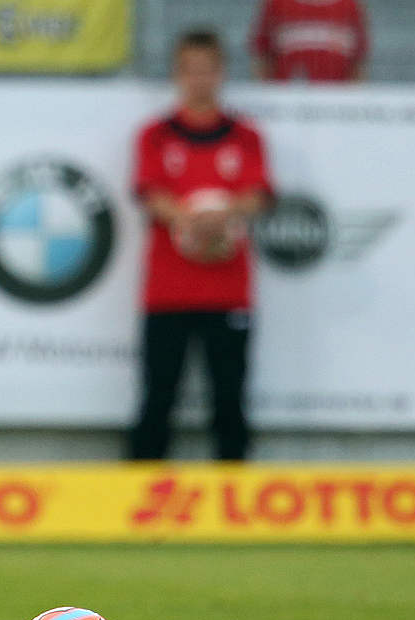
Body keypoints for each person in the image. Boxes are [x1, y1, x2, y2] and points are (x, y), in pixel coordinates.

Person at [127, 29, 274, 462]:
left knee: (230, 396)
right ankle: (140, 499)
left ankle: (234, 501)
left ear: (221, 73)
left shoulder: (246, 136)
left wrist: (225, 216)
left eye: (207, 69)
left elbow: (259, 195)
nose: (198, 79)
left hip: (228, 290)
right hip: (168, 291)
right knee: (158, 395)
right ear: (177, 74)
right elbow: (150, 194)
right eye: (189, 70)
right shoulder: (154, 135)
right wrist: (191, 221)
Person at [251, 0, 369, 82]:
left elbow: (358, 62)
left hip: (336, 100)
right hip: (287, 100)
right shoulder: (276, 4)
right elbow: (262, 55)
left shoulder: (350, 5)